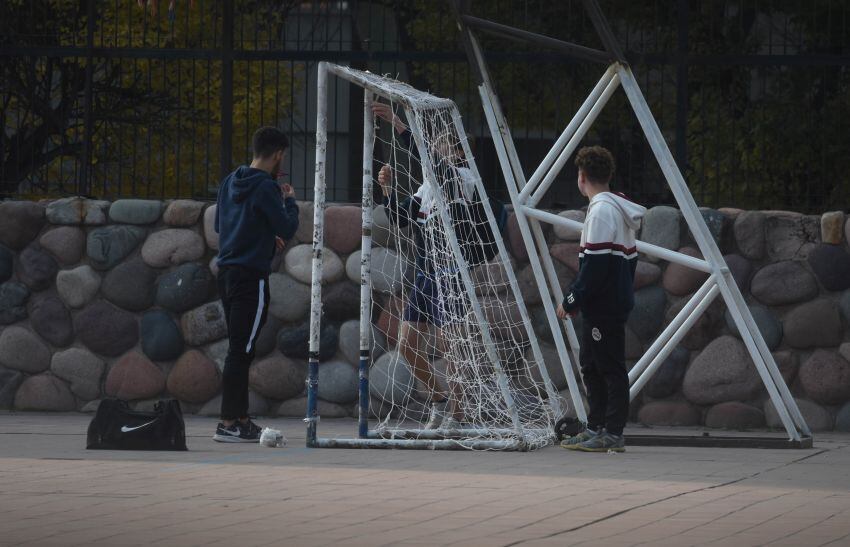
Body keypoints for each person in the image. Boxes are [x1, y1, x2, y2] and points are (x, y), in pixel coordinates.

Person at [373, 102, 491, 429]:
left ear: (458, 153)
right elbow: (400, 218)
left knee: (449, 347)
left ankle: (459, 416)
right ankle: (439, 401)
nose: (437, 151)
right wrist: (387, 189)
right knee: (407, 344)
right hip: (426, 275)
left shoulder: (461, 179)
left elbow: (432, 161)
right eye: (436, 145)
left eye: (443, 147)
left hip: (451, 276)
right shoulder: (427, 189)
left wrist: (397, 121)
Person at [556, 145, 645, 453]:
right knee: (592, 365)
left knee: (608, 367)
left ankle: (612, 432)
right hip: (610, 301)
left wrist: (570, 300)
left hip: (603, 305)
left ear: (581, 178)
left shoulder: (601, 211)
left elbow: (594, 267)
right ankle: (596, 427)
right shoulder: (616, 209)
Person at [212, 126, 299, 443]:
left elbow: (221, 225)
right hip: (251, 275)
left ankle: (236, 419)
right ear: (278, 154)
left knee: (238, 348)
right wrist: (289, 201)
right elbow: (287, 226)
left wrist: (261, 237)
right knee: (242, 350)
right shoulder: (266, 187)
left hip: (227, 273)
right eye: (283, 156)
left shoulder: (229, 181)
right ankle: (231, 422)